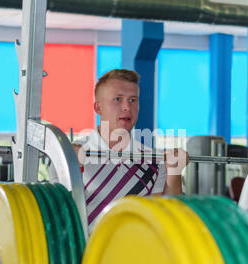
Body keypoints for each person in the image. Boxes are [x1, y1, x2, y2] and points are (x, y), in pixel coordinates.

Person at [73, 69, 189, 233]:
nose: (127, 107)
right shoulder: (70, 156)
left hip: (134, 251)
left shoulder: (153, 161)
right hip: (85, 254)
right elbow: (61, 214)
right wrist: (72, 167)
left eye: (133, 100)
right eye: (118, 99)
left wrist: (175, 172)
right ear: (98, 107)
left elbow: (166, 217)